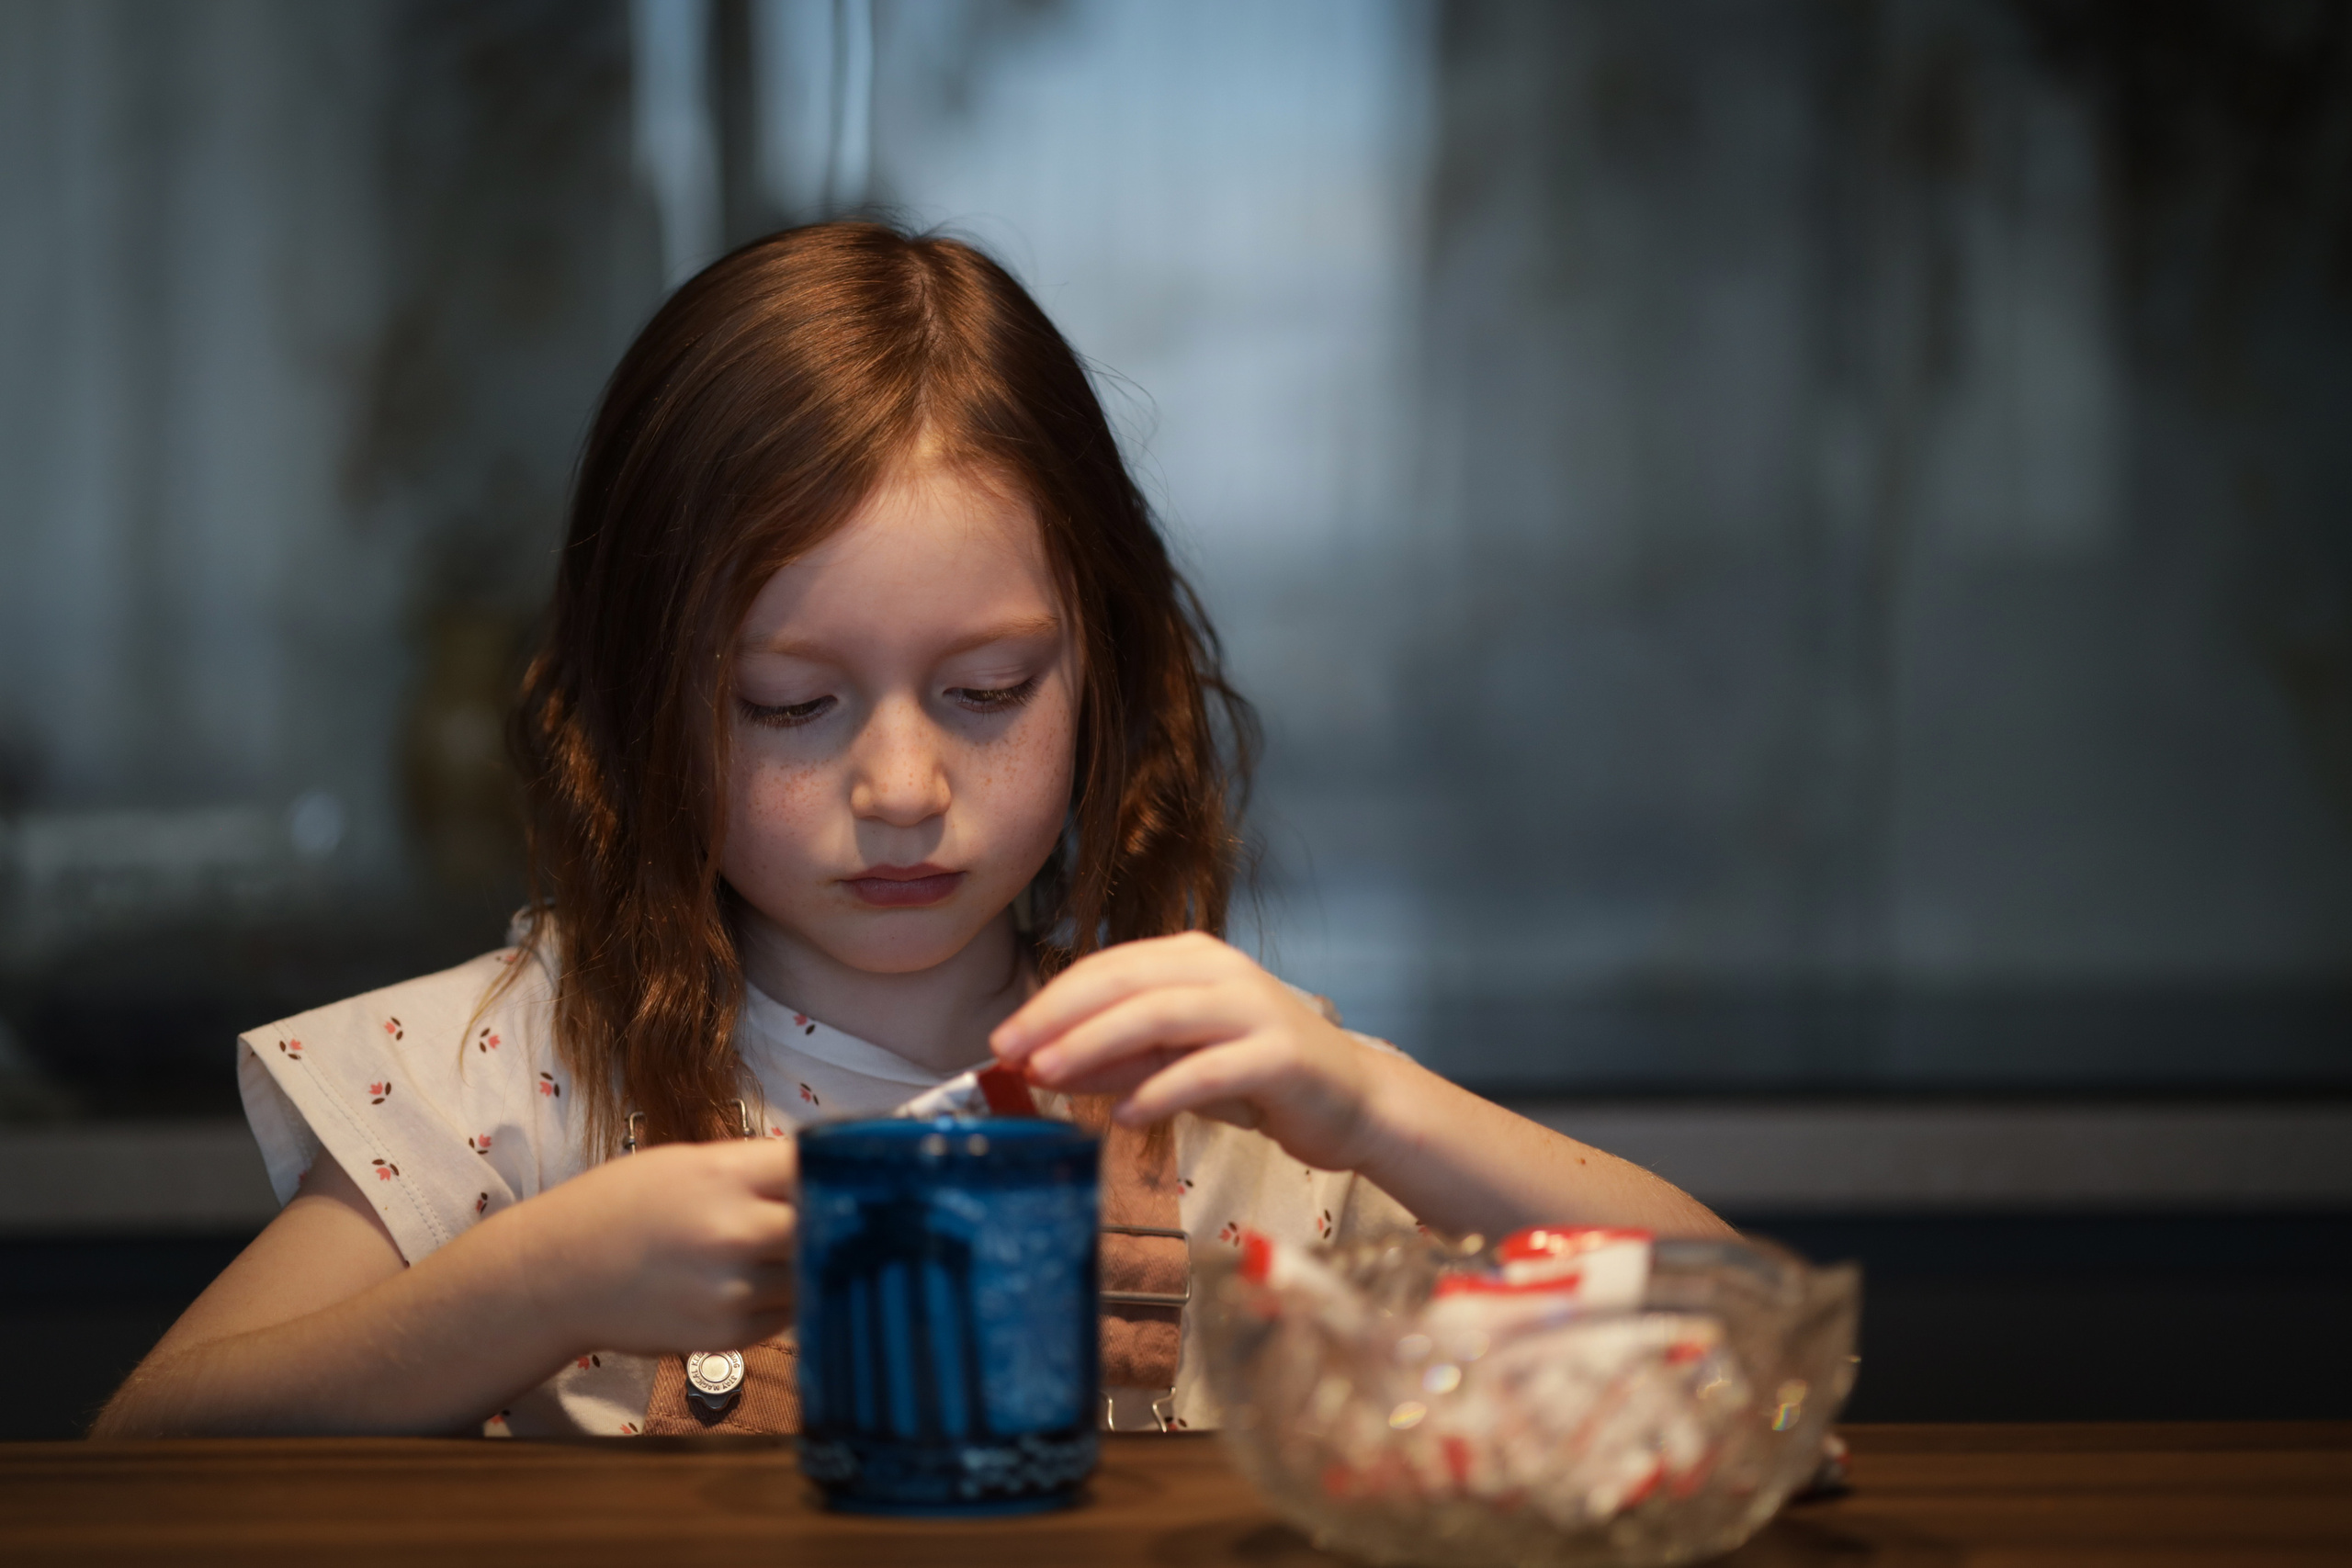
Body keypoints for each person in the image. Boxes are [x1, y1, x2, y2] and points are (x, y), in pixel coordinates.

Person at [93, 221, 1731, 1441]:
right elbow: (138, 1463)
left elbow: (1735, 1351)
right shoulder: (515, 1073)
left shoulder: (1216, 1112)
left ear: (1104, 677)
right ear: (642, 700)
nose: (897, 788)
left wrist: (1368, 1102)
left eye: (988, 689)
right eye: (788, 704)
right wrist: (546, 1284)